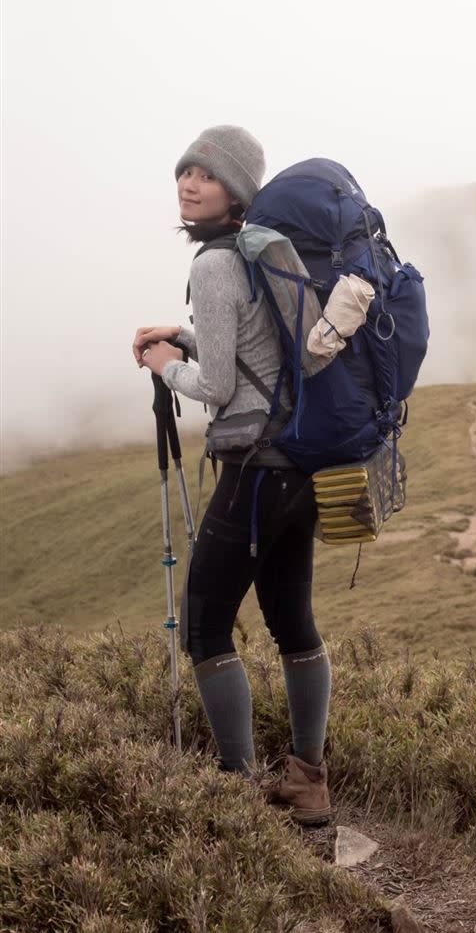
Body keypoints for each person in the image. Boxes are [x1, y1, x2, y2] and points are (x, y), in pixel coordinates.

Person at [132, 125, 332, 825]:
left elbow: (216, 385)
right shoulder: (260, 254)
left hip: (252, 473)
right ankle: (309, 784)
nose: (189, 183)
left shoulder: (218, 265)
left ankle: (236, 793)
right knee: (292, 623)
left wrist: (165, 366)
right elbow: (260, 352)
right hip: (300, 467)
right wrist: (184, 336)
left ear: (237, 191)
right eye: (184, 171)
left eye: (207, 175)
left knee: (205, 627)